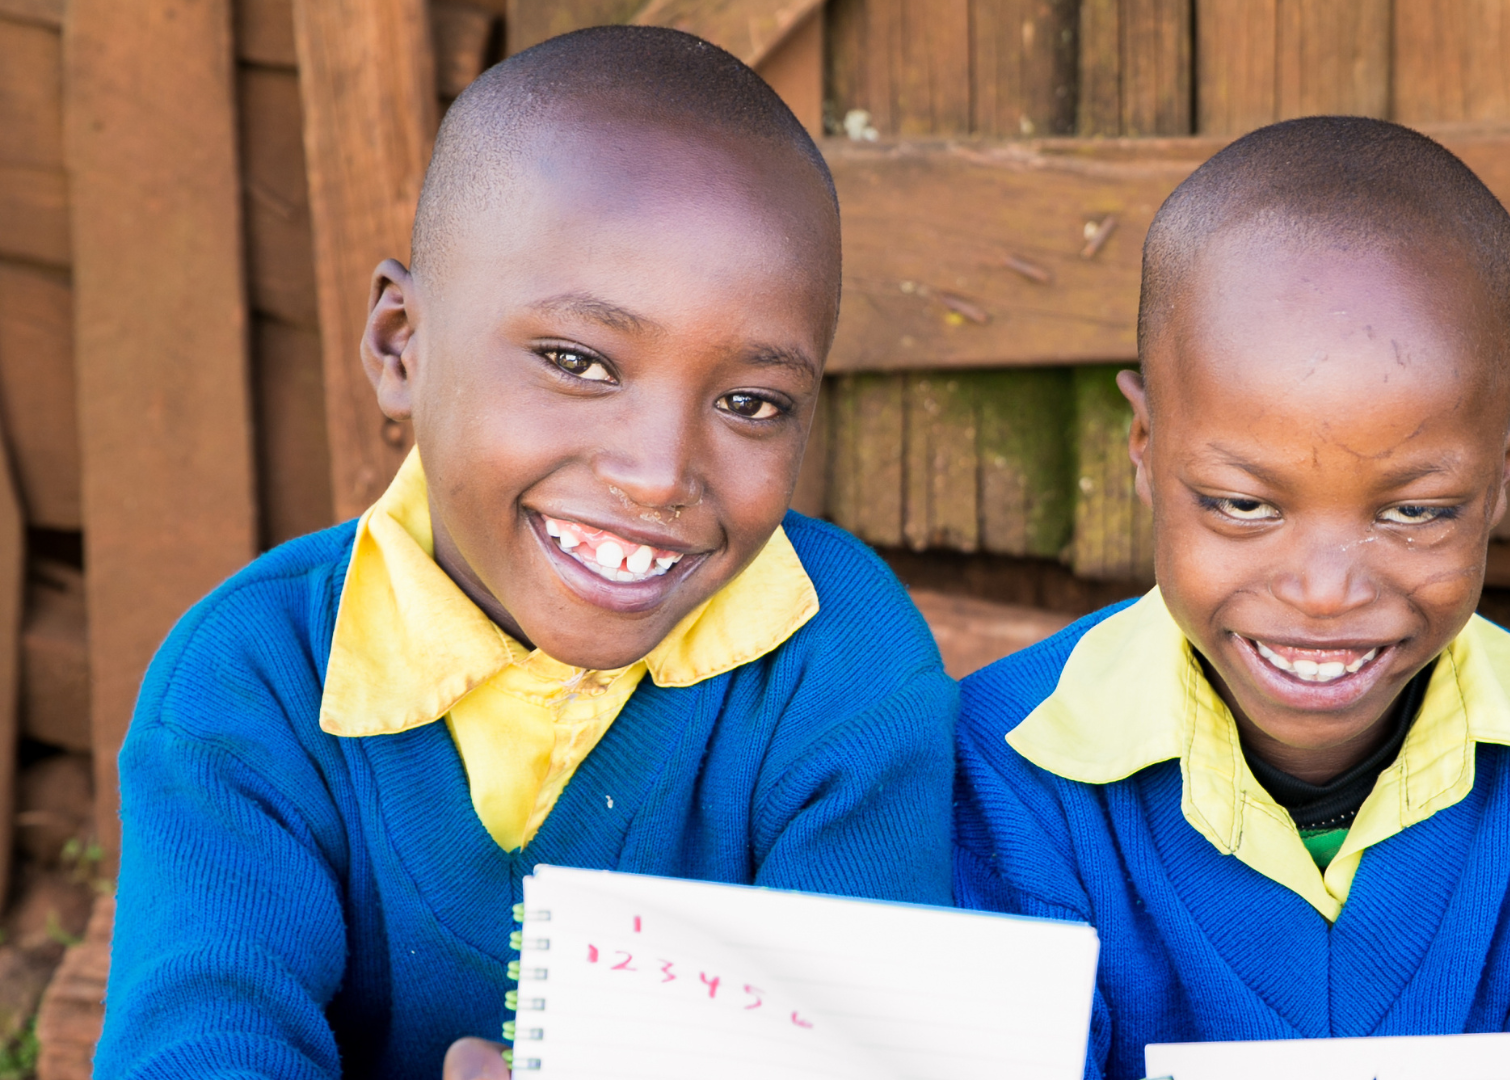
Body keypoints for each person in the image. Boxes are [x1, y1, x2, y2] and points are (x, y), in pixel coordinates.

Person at [97, 27, 957, 1079]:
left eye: (749, 402)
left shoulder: (841, 667)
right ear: (399, 345)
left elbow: (862, 1053)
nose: (656, 472)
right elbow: (200, 1045)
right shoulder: (253, 682)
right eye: (577, 360)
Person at [953, 116, 1510, 1080]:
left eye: (1415, 511)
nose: (1325, 593)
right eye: (1244, 504)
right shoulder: (1006, 776)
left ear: (1499, 477)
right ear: (1146, 451)